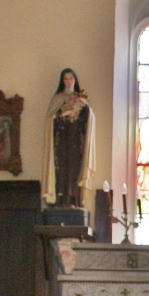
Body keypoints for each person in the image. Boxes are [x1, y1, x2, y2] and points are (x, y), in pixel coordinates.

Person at [42, 69, 96, 208]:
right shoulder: (57, 98)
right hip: (62, 141)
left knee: (74, 169)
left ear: (75, 79)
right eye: (65, 79)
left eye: (71, 78)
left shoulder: (81, 98)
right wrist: (62, 113)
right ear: (62, 81)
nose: (68, 81)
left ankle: (74, 200)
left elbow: (89, 119)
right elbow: (50, 119)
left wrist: (84, 108)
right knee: (61, 169)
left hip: (76, 140)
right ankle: (60, 201)